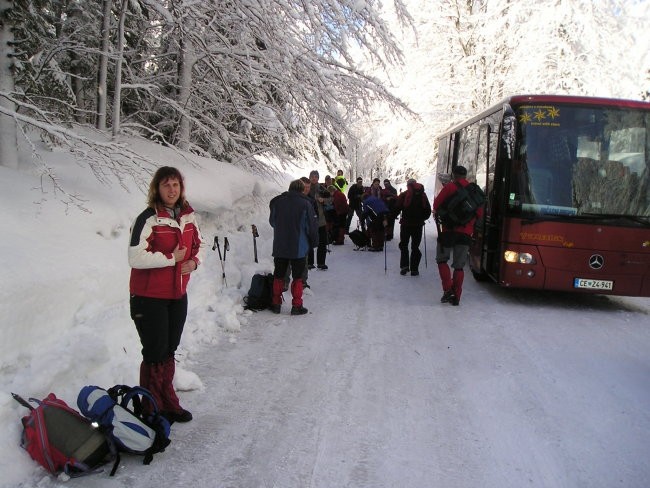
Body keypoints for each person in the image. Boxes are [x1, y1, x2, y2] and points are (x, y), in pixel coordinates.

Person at [128, 166, 204, 423]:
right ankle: (151, 408)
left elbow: (199, 245)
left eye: (175, 185)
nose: (172, 190)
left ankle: (167, 402)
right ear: (157, 189)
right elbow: (135, 257)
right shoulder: (148, 218)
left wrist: (194, 262)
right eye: (166, 185)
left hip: (177, 294)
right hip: (149, 297)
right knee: (154, 351)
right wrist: (172, 259)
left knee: (169, 349)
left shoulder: (188, 216)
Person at [433, 165, 483, 305]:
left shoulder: (449, 187)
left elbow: (436, 205)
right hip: (466, 233)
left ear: (453, 175)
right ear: (466, 176)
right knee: (459, 266)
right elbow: (479, 214)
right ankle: (457, 296)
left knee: (442, 260)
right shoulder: (473, 191)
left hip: (448, 231)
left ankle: (447, 289)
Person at [269, 179, 318, 315]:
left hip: (280, 245)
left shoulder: (277, 202)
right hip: (299, 247)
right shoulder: (305, 204)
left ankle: (276, 303)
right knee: (298, 277)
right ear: (302, 190)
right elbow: (311, 227)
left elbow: (272, 222)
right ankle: (296, 306)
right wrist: (313, 242)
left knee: (278, 275)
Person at [395, 178, 431, 276]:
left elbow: (397, 208)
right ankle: (414, 269)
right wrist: (422, 218)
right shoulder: (423, 195)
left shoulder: (404, 195)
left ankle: (404, 266)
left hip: (405, 224)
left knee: (404, 245)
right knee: (415, 246)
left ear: (408, 185)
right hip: (418, 225)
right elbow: (428, 211)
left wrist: (390, 217)